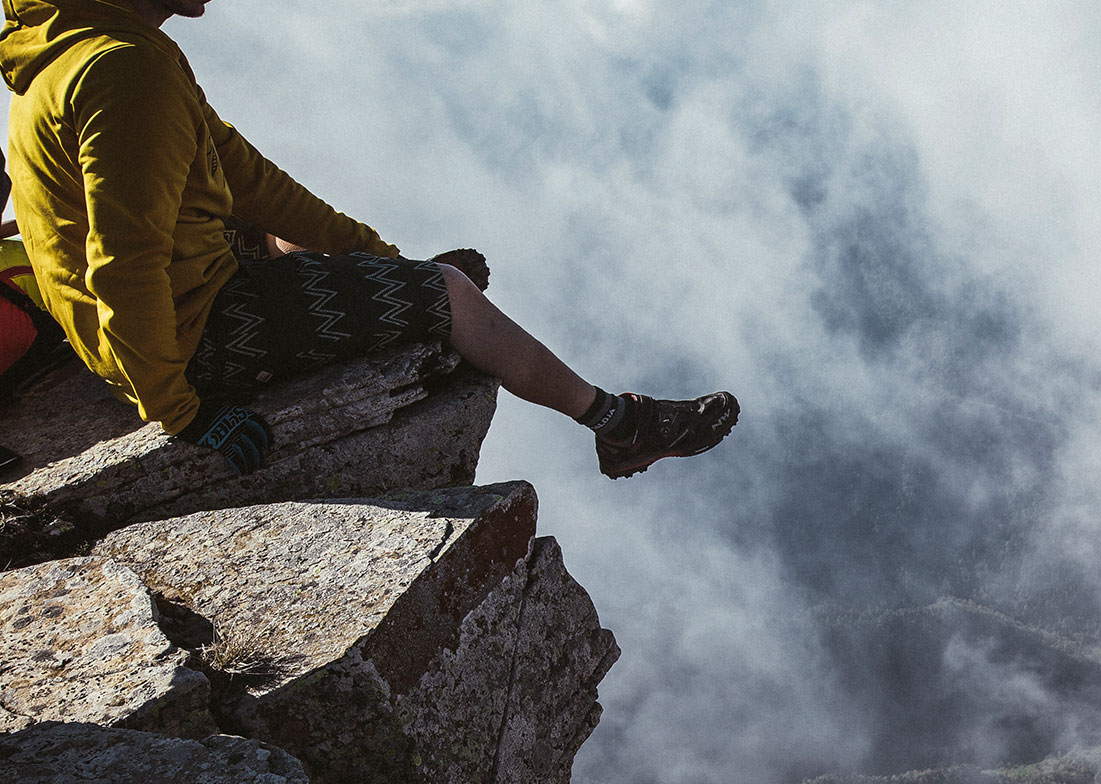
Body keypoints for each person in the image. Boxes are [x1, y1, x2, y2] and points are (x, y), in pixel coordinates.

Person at [0, 0, 738, 478]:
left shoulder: (85, 55)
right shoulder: (125, 73)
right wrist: (179, 410)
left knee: (280, 230)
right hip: (193, 334)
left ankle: (394, 283)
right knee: (449, 296)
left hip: (154, 302)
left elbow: (253, 184)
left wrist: (380, 259)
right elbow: (123, 267)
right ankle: (618, 423)